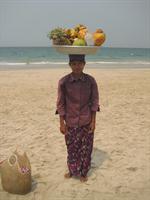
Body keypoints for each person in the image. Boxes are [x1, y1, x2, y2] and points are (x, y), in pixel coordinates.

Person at [55, 54, 100, 182]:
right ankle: (72, 170)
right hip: (70, 121)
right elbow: (60, 103)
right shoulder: (63, 82)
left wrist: (93, 121)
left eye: (80, 63)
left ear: (84, 64)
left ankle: (83, 172)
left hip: (86, 120)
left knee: (86, 148)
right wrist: (62, 123)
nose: (77, 66)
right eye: (74, 63)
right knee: (71, 148)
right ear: (70, 65)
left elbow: (95, 101)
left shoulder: (91, 81)